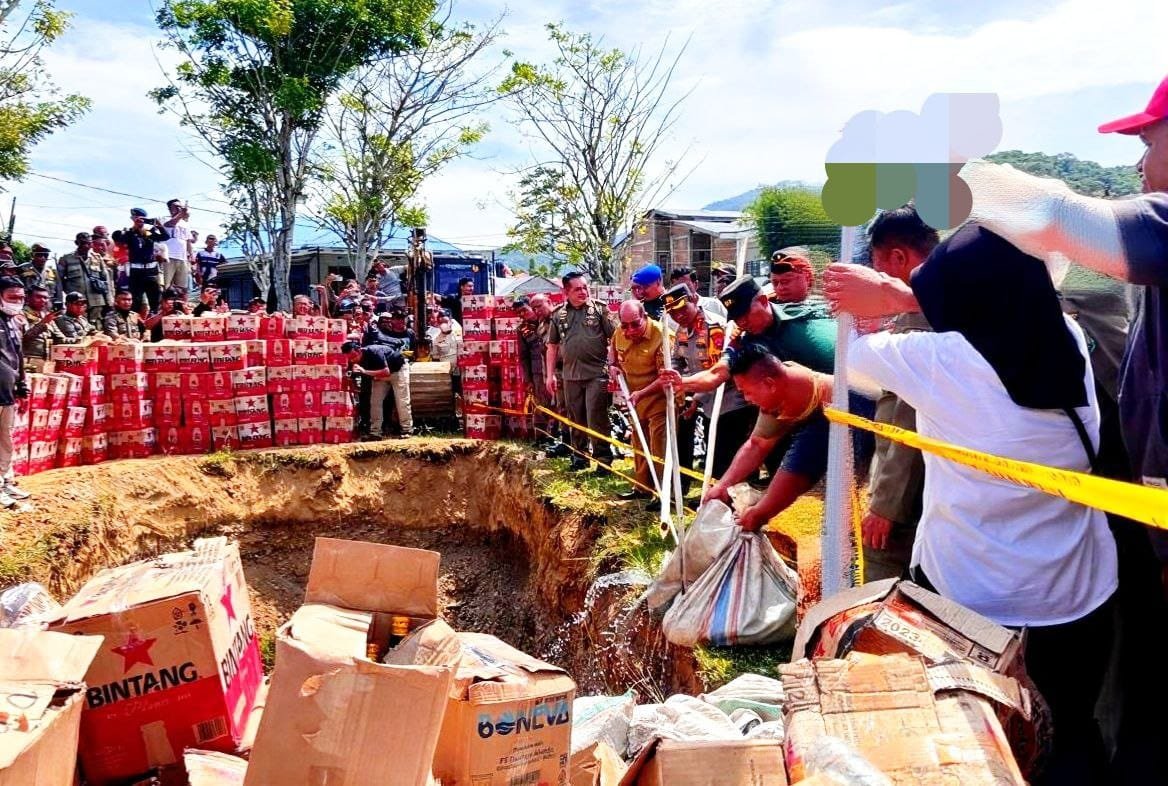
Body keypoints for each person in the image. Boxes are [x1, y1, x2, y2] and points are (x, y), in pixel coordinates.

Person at [843, 223, 1118, 786]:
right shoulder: (1064, 336)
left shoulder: (939, 360)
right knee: (1070, 735)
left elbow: (855, 359)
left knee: (982, 745)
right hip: (1079, 596)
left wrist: (890, 298)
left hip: (973, 603)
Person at [860, 207, 937, 582]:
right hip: (930, 490)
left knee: (887, 583)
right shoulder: (936, 309)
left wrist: (887, 505)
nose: (879, 280)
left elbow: (909, 420)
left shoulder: (921, 322)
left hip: (913, 495)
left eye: (880, 269)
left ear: (899, 258)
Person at [640, 284, 754, 481]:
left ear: (693, 300)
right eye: (673, 313)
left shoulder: (717, 328)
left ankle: (726, 502)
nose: (679, 315)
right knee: (713, 455)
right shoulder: (683, 331)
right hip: (708, 402)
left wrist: (696, 396)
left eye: (683, 308)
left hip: (730, 402)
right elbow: (678, 358)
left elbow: (718, 372)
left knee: (724, 458)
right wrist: (671, 373)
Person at [546, 271, 615, 472]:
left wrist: (614, 365)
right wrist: (550, 375)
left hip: (596, 374)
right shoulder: (558, 315)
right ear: (566, 291)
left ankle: (603, 460)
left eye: (585, 287)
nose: (583, 292)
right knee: (576, 418)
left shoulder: (600, 310)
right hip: (570, 376)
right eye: (578, 289)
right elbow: (552, 346)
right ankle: (580, 457)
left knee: (597, 418)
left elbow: (615, 339)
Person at [613, 299, 678, 504]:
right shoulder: (619, 333)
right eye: (625, 325)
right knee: (638, 440)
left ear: (645, 317)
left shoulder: (662, 335)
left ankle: (662, 492)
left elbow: (666, 376)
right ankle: (642, 487)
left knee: (658, 443)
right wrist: (613, 366)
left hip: (658, 397)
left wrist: (642, 393)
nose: (630, 331)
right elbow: (613, 352)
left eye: (635, 325)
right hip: (634, 397)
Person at [341, 339, 412, 439]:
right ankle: (375, 432)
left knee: (402, 401)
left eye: (353, 356)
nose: (352, 360)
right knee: (375, 402)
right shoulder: (352, 361)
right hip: (379, 375)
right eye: (349, 358)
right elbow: (351, 376)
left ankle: (407, 430)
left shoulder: (374, 352)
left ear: (359, 350)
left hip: (397, 370)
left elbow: (386, 372)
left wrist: (364, 371)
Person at [0, 276, 30, 507]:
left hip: (7, 393)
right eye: (12, 297)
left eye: (21, 298)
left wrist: (23, 387)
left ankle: (5, 480)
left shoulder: (14, 322)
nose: (17, 302)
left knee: (5, 439)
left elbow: (18, 357)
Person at [56, 231, 113, 323]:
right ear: (76, 243)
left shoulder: (97, 258)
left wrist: (109, 301)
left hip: (96, 302)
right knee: (79, 327)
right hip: (76, 303)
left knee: (96, 329)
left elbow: (106, 280)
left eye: (89, 243)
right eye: (83, 243)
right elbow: (59, 282)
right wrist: (60, 300)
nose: (86, 246)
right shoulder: (66, 259)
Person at [122, 208, 168, 312]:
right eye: (135, 218)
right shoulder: (129, 233)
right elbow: (122, 240)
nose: (138, 221)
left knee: (155, 300)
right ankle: (136, 326)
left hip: (151, 271)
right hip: (136, 272)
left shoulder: (148, 233)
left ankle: (154, 323)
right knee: (136, 302)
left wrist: (159, 225)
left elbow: (165, 237)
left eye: (141, 219)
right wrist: (135, 227)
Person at [20, 286, 64, 373]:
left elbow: (60, 339)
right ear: (28, 298)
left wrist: (84, 340)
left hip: (47, 361)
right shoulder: (20, 315)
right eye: (39, 297)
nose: (43, 300)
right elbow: (23, 338)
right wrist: (43, 323)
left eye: (45, 298)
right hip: (28, 360)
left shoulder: (46, 316)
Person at [162, 199, 193, 291]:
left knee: (182, 287)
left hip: (182, 258)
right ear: (170, 209)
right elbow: (169, 224)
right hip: (168, 257)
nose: (179, 208)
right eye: (176, 207)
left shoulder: (185, 224)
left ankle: (180, 305)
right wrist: (181, 215)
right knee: (166, 286)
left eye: (180, 206)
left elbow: (188, 241)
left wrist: (191, 255)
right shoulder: (164, 219)